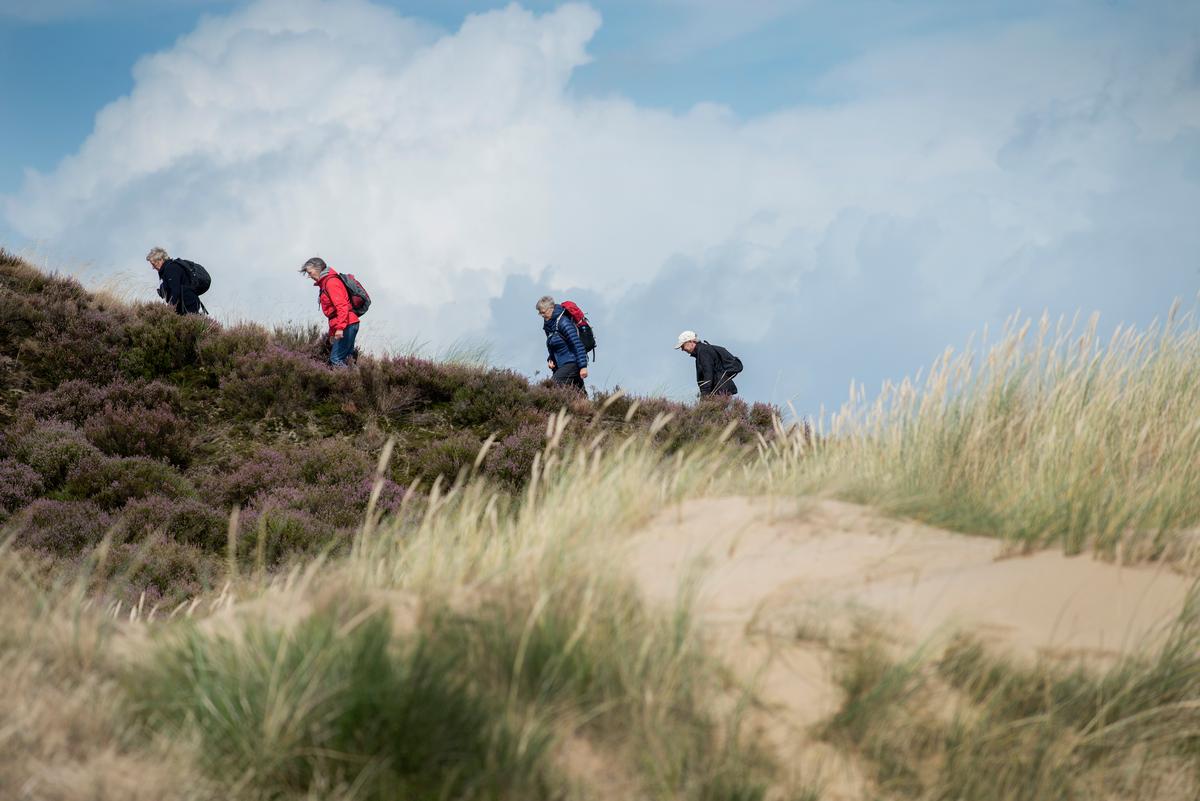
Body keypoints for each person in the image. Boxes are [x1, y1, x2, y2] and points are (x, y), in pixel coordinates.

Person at [300, 257, 359, 367]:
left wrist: (340, 328)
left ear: (317, 268)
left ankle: (351, 382)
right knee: (347, 359)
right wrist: (333, 332)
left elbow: (342, 306)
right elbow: (333, 314)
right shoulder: (326, 282)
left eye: (310, 272)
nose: (309, 276)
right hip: (348, 323)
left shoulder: (331, 282)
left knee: (335, 360)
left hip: (347, 323)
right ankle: (356, 381)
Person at [536, 295, 589, 391]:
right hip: (561, 365)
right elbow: (554, 345)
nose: (541, 315)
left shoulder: (563, 322)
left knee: (552, 386)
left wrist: (583, 366)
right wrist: (551, 358)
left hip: (572, 363)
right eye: (539, 312)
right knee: (579, 395)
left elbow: (577, 344)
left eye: (543, 312)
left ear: (551, 308)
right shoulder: (549, 325)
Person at [674, 330, 741, 396]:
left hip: (718, 391)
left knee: (710, 407)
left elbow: (708, 373)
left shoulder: (703, 351)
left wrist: (705, 395)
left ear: (691, 342)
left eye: (683, 346)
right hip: (721, 389)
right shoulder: (702, 350)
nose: (682, 349)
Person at [146, 247, 205, 314]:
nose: (153, 267)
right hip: (185, 304)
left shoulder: (171, 268)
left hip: (187, 305)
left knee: (187, 323)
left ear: (160, 260)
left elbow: (175, 291)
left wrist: (169, 309)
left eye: (153, 264)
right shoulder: (168, 269)